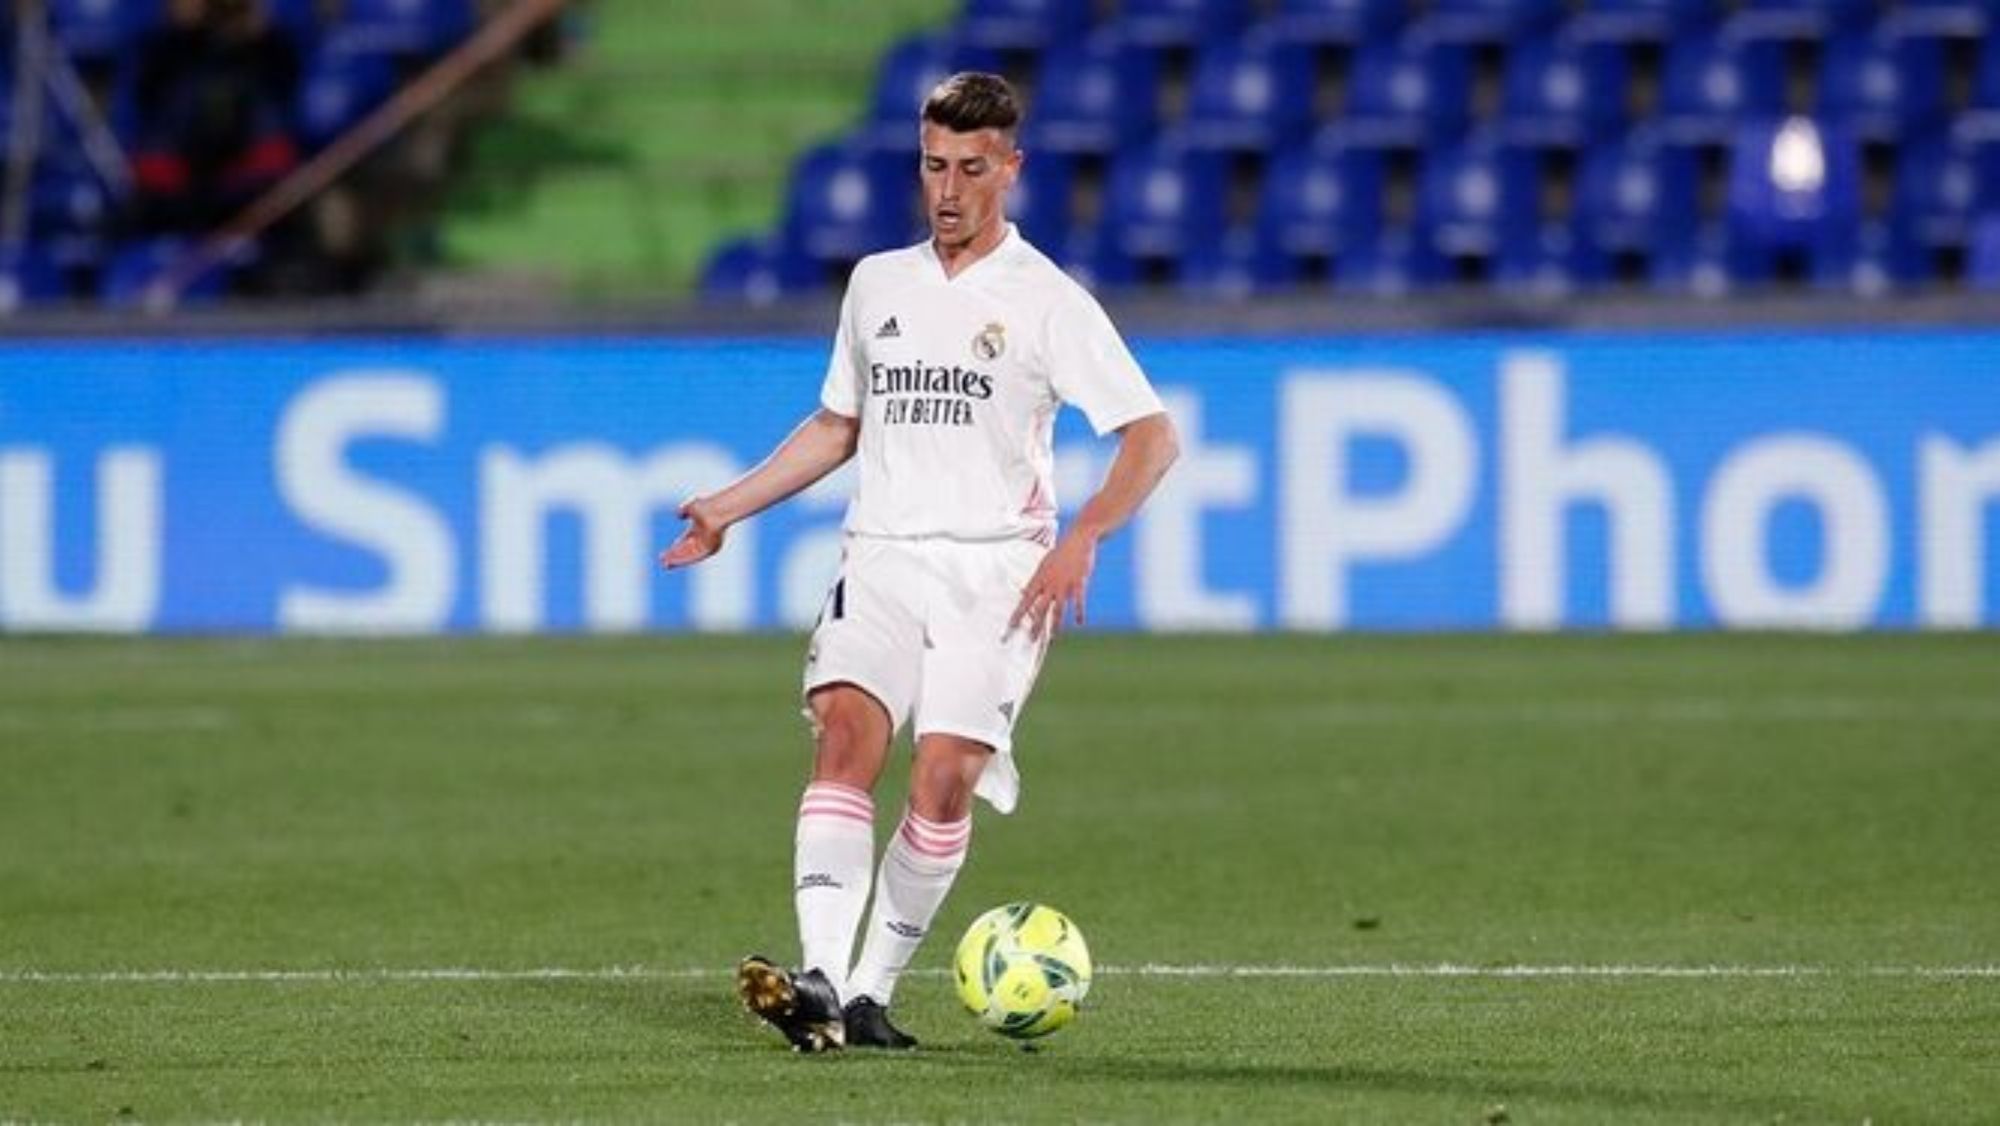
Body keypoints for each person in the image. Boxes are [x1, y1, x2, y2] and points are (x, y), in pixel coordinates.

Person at [660, 72, 1180, 1052]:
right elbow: (837, 422)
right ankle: (816, 975)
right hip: (883, 556)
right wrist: (728, 506)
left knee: (941, 777)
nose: (947, 189)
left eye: (970, 169)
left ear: (1010, 171)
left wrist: (1084, 536)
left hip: (998, 573)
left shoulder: (1047, 301)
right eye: (933, 166)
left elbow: (1151, 438)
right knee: (844, 738)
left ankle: (865, 990)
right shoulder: (876, 283)